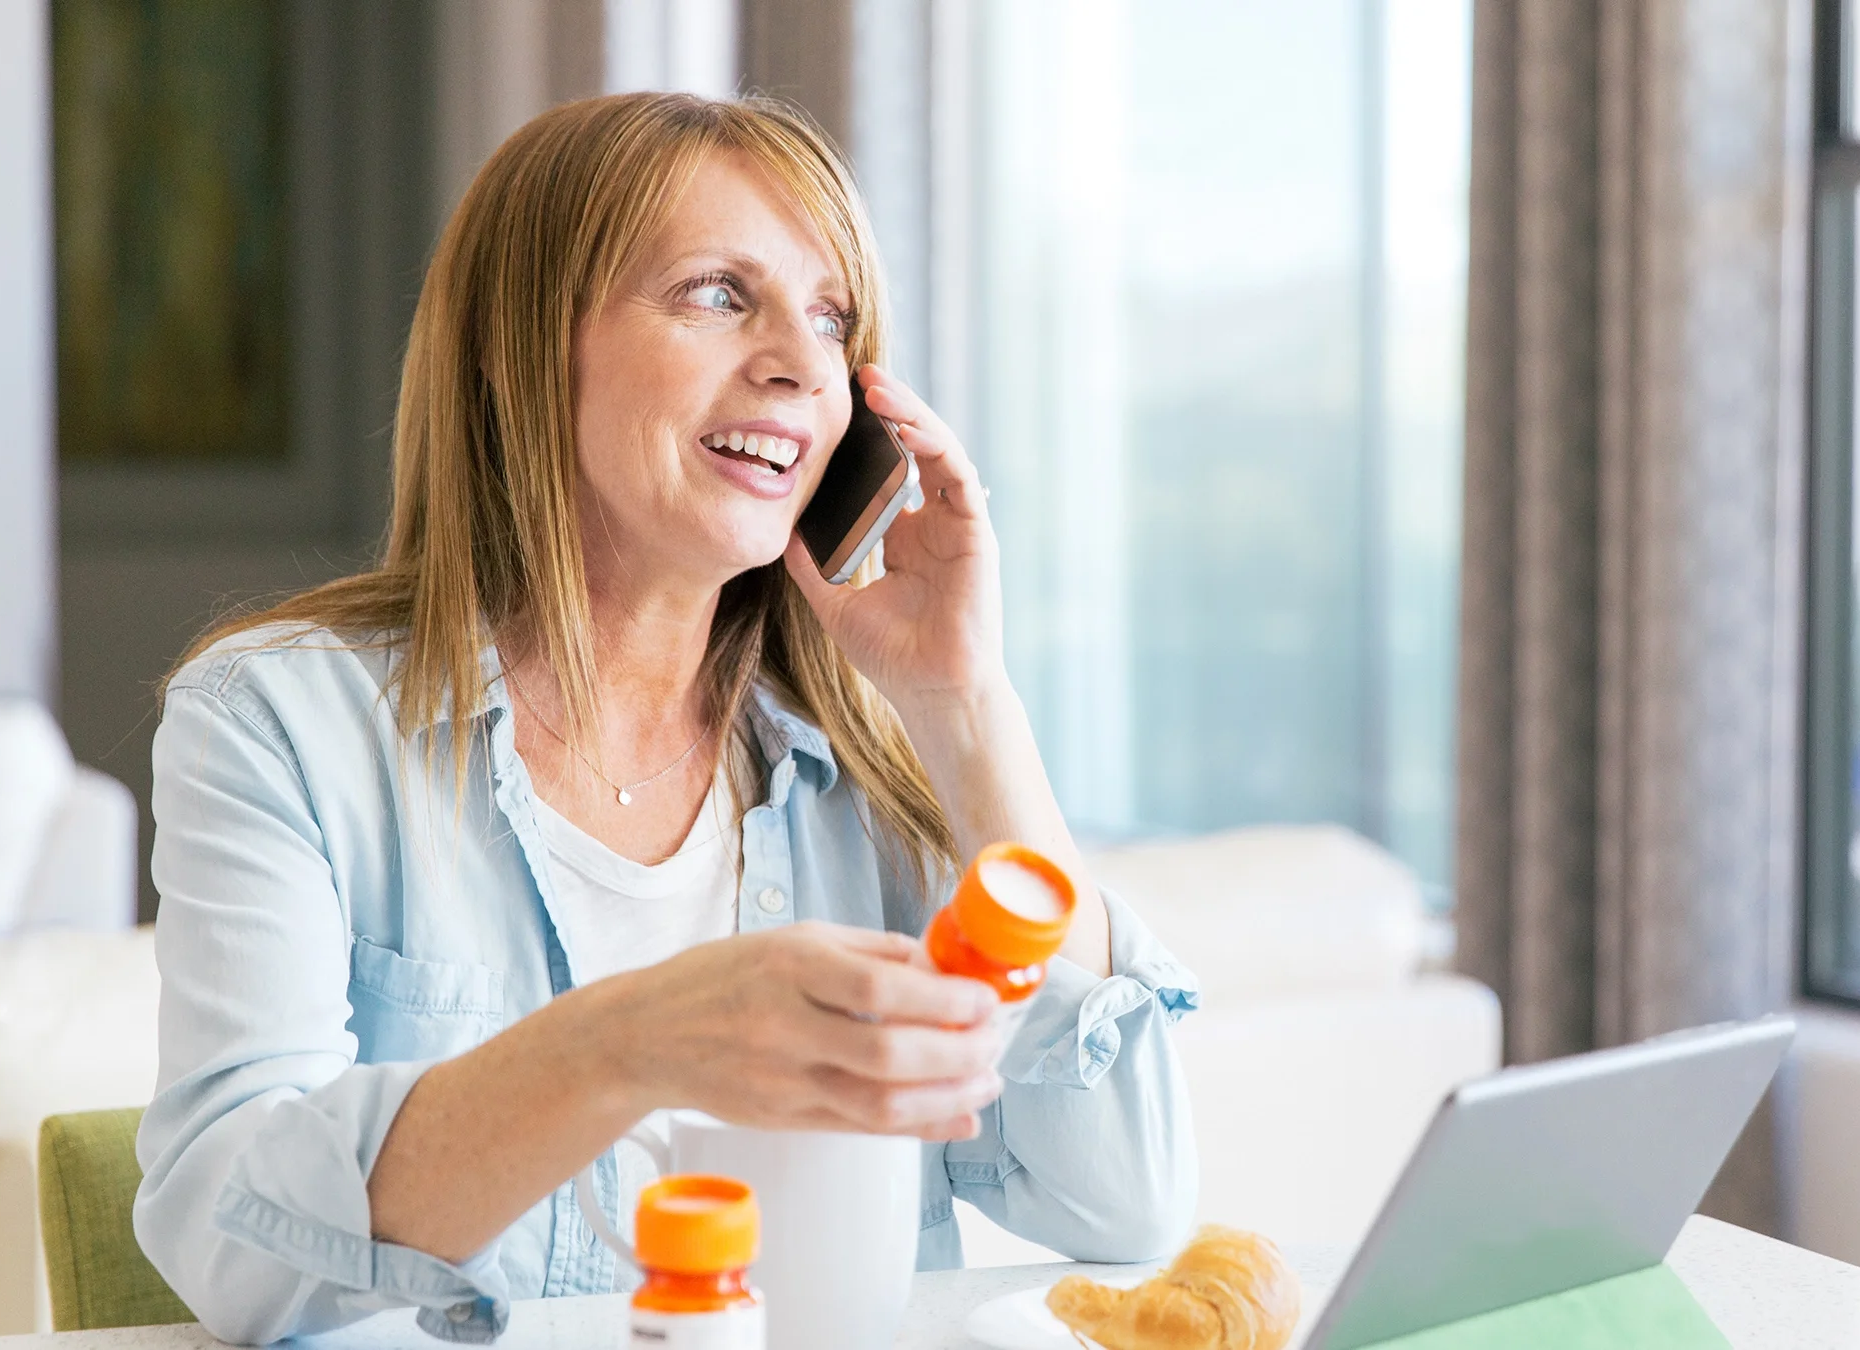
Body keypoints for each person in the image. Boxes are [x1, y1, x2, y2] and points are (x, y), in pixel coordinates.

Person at [132, 92, 1199, 1345]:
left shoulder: (870, 762)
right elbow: (231, 1243)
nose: (801, 365)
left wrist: (967, 704)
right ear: (520, 346)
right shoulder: (282, 721)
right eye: (712, 292)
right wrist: (630, 1042)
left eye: (829, 315)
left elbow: (1125, 1203)